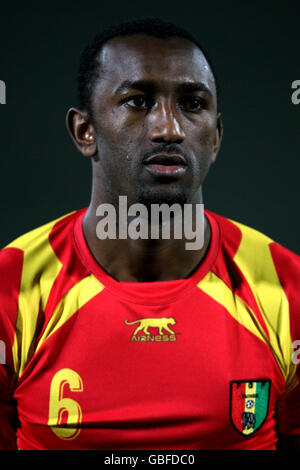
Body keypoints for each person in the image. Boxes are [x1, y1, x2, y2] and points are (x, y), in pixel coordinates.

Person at [0, 17, 299, 451]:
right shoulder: (13, 287)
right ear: (85, 131)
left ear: (215, 138)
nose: (168, 129)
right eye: (138, 102)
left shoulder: (285, 288)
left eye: (193, 104)